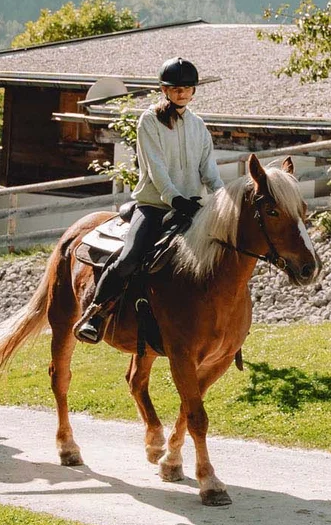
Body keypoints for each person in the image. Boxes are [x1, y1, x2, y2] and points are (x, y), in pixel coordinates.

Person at [75, 57, 224, 343]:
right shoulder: (150, 120)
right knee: (130, 257)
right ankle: (96, 314)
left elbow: (210, 172)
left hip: (193, 207)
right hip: (154, 205)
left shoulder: (199, 126)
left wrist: (223, 200)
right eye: (176, 88)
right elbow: (155, 168)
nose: (182, 93)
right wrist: (174, 198)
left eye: (187, 88)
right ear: (164, 90)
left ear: (194, 91)